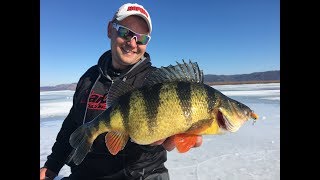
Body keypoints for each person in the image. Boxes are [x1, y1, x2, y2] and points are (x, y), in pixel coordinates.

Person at [40, 3, 203, 180]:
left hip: (141, 175)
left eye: (142, 38)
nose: (132, 43)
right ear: (110, 30)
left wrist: (153, 141)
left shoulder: (155, 82)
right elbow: (72, 124)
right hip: (84, 173)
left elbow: (161, 133)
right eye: (126, 32)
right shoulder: (89, 78)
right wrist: (51, 166)